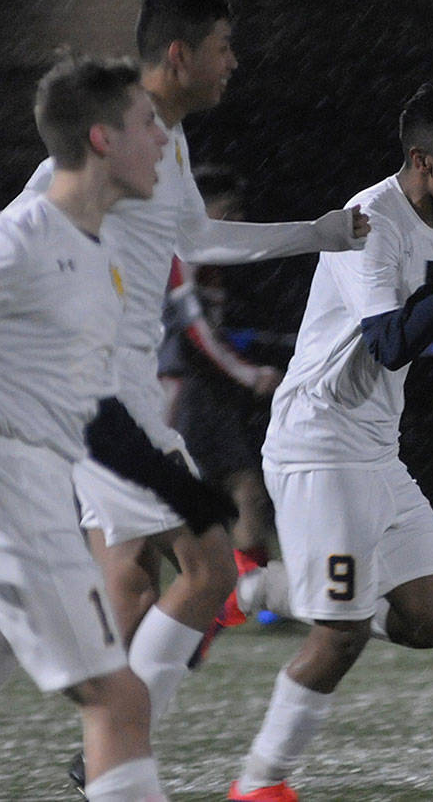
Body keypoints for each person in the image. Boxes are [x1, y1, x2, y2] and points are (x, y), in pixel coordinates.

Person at [11, 0, 369, 771]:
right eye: (222, 49)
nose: (233, 63)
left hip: (118, 389)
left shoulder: (165, 138)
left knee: (134, 581)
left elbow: (198, 240)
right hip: (102, 394)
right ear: (179, 56)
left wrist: (317, 233)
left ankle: (97, 734)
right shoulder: (112, 128)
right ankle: (115, 744)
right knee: (208, 567)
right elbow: (26, 216)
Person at [0, 56, 234, 802]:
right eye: (146, 128)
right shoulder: (13, 239)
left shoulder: (97, 258)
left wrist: (180, 491)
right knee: (121, 702)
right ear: (102, 140)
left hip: (32, 502)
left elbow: (92, 413)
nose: (163, 144)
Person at [225, 84, 433, 802]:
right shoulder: (369, 220)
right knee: (339, 637)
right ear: (421, 159)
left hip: (374, 450)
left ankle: (258, 586)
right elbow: (390, 341)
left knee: (430, 619)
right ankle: (259, 783)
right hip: (319, 446)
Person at [156, 165, 286, 661]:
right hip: (181, 394)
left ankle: (241, 605)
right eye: (227, 212)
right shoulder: (182, 254)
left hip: (203, 394)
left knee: (246, 493)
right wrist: (249, 375)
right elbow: (195, 335)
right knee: (178, 518)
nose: (236, 220)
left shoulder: (205, 260)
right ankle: (203, 613)